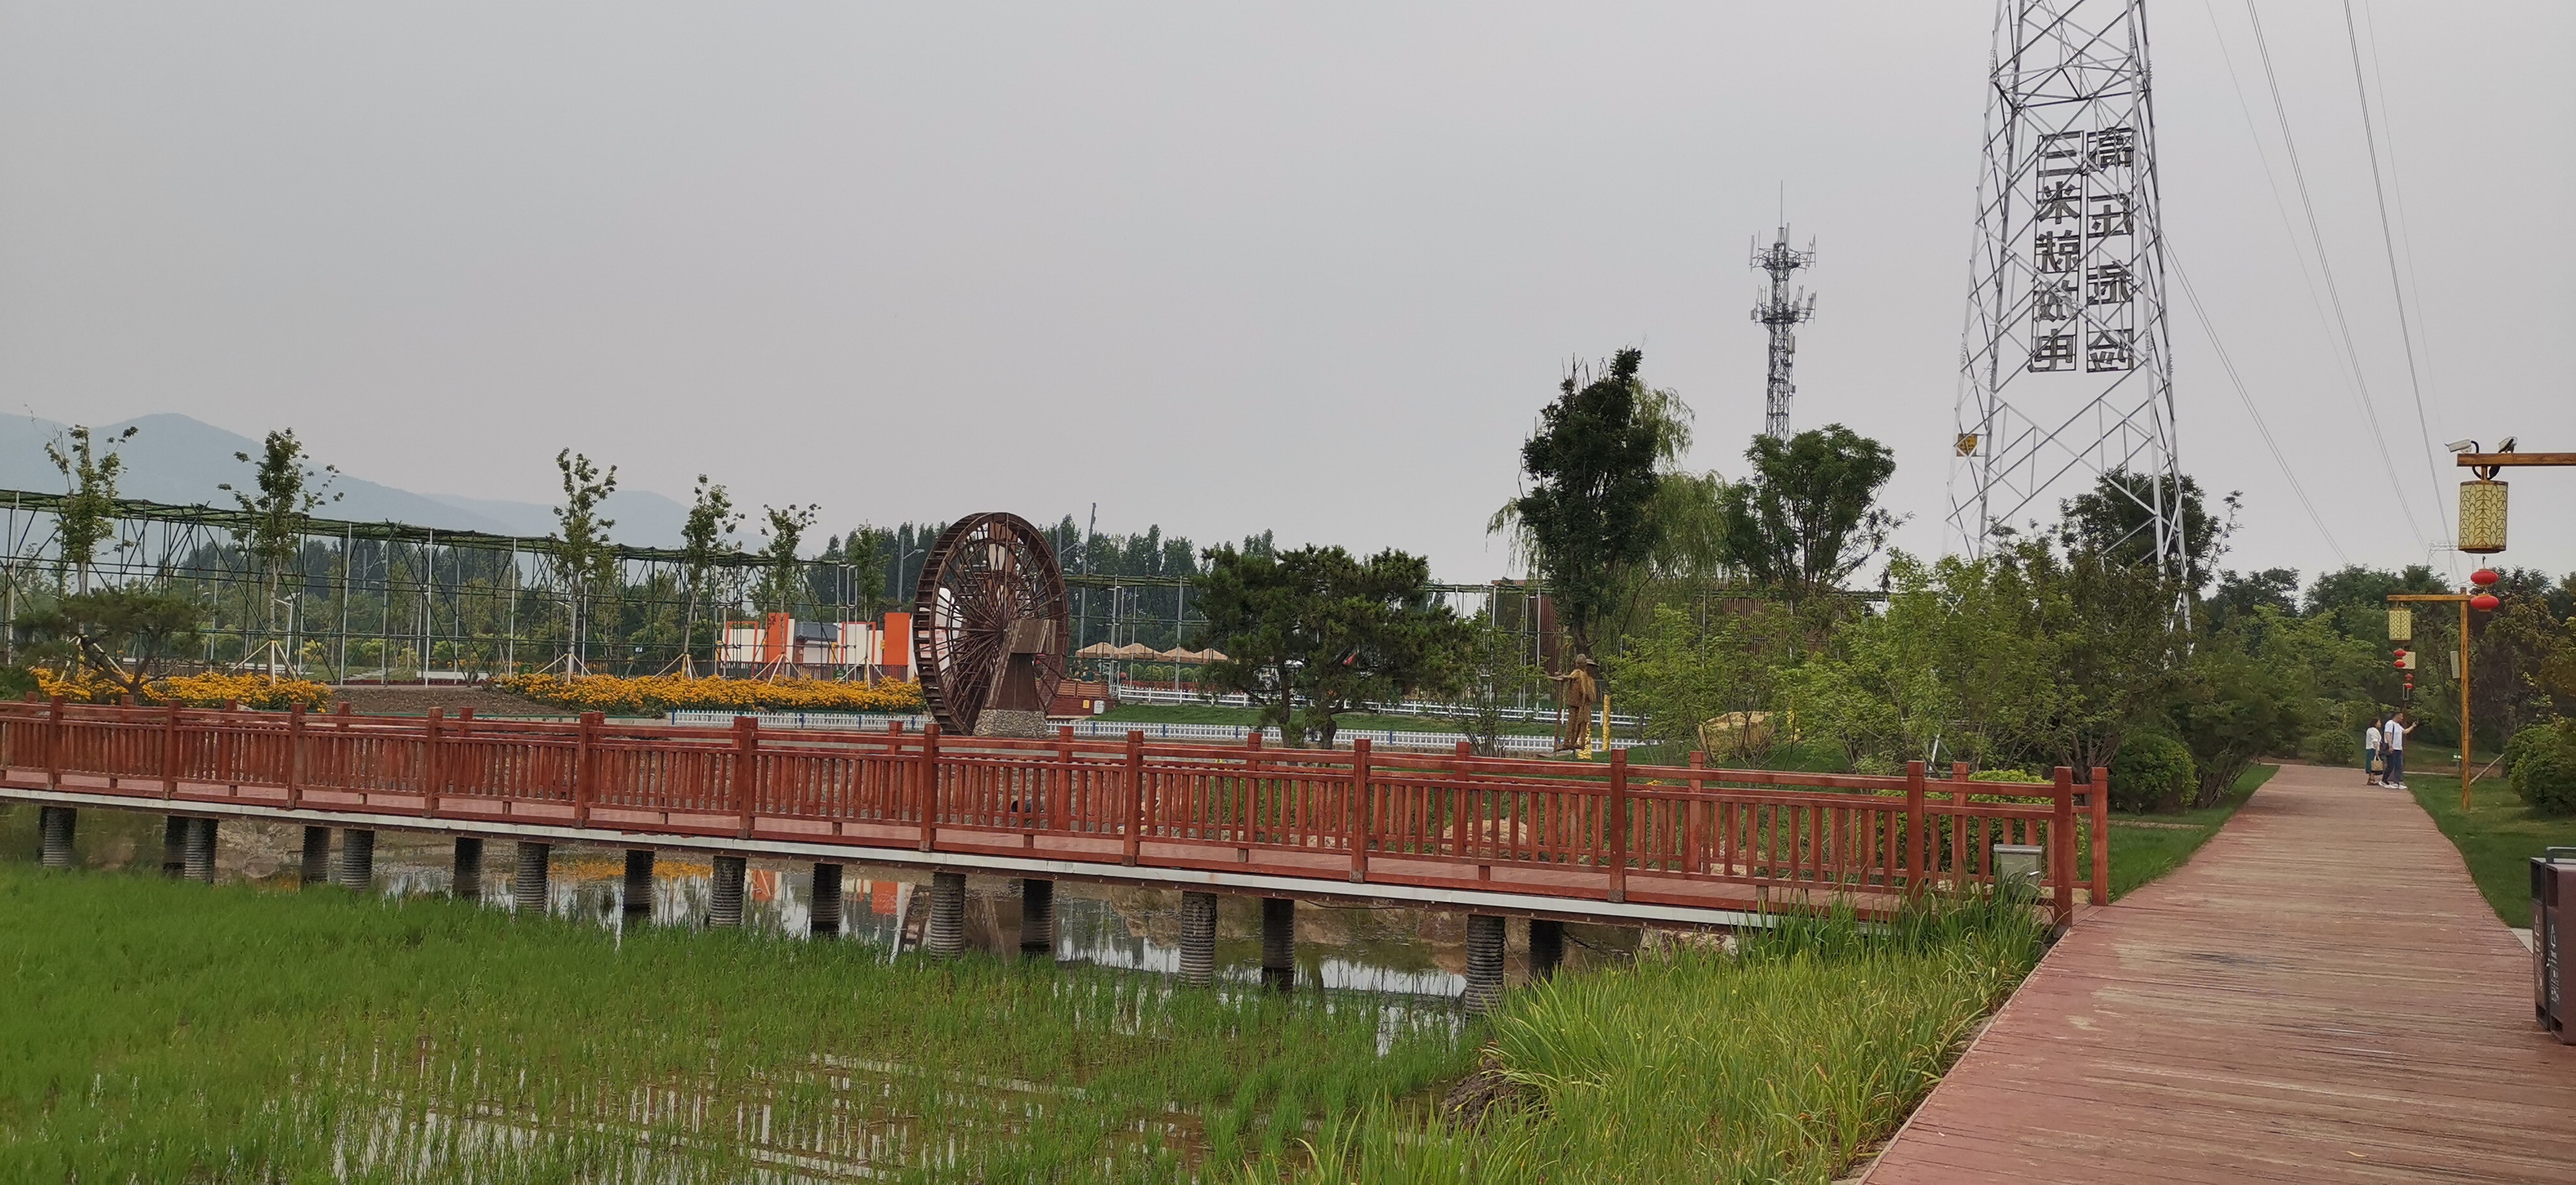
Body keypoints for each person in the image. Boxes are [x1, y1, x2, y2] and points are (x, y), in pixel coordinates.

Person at [2380, 711, 2409, 789]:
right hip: (2393, 748)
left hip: (2399, 748)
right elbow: (2388, 734)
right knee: (2391, 765)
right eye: (2401, 716)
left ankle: (2396, 782)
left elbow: (2405, 732)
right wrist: (2390, 746)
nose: (2402, 718)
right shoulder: (2390, 724)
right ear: (2397, 716)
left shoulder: (2398, 726)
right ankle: (2384, 780)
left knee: (2399, 766)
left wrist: (2413, 726)